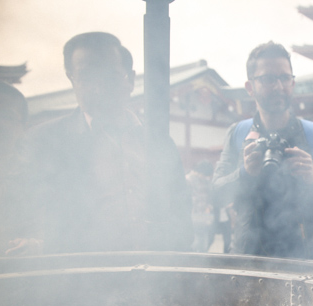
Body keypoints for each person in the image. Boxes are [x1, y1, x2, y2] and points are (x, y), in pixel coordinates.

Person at [20, 32, 192, 254]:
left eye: (110, 76)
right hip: (82, 277)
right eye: (87, 77)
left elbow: (180, 206)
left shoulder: (157, 140)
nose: (98, 87)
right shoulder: (46, 141)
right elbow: (28, 212)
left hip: (154, 272)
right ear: (71, 77)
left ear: (129, 79)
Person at [213, 42, 313, 260]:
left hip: (306, 262)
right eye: (268, 79)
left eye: (285, 78)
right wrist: (244, 173)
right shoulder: (238, 133)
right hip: (248, 260)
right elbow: (216, 194)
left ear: (293, 83)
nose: (278, 86)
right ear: (250, 87)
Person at [0, 81, 35, 257]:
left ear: (23, 127)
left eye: (4, 115)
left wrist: (37, 244)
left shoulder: (40, 176)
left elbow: (64, 231)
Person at [186, 160, 215, 252]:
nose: (206, 177)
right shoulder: (187, 180)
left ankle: (202, 259)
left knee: (204, 241)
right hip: (192, 216)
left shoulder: (204, 180)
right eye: (205, 175)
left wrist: (208, 206)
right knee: (196, 242)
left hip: (203, 216)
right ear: (200, 172)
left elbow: (208, 195)